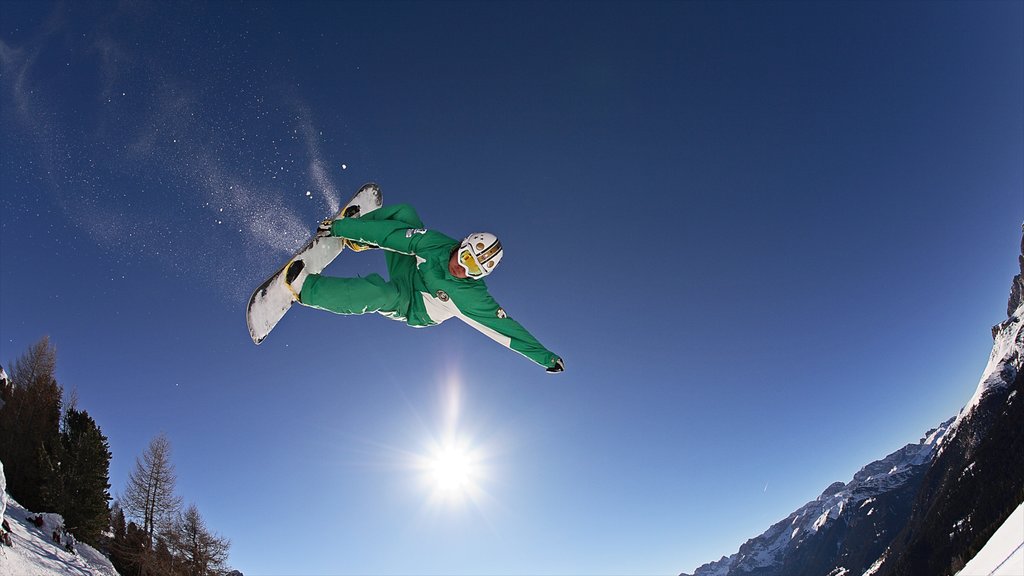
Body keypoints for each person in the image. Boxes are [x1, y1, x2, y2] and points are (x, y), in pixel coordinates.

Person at [284, 203, 564, 373]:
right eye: (466, 259)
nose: (463, 269)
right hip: (412, 269)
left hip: (413, 305)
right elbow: (393, 236)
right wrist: (343, 228)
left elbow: (508, 330)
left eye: (474, 270)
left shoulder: (470, 296)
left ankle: (306, 290)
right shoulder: (435, 243)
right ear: (462, 245)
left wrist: (546, 358)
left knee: (380, 293)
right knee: (404, 214)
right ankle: (360, 237)